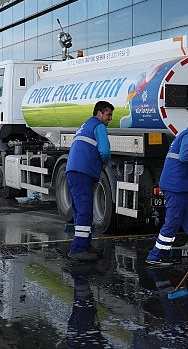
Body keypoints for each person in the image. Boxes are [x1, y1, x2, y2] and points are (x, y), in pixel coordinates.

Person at [146, 111, 188, 266]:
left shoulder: (186, 135)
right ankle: (155, 256)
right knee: (173, 221)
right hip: (177, 186)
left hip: (180, 186)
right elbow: (185, 157)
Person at [66, 101, 114, 261]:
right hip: (83, 172)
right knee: (85, 210)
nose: (110, 118)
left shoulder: (85, 125)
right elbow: (105, 150)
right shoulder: (99, 126)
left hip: (73, 171)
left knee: (79, 210)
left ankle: (85, 244)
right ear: (99, 113)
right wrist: (104, 163)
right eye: (108, 114)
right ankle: (78, 249)